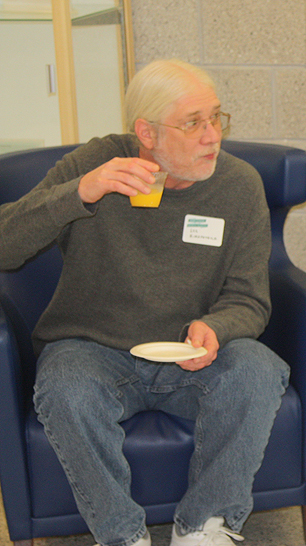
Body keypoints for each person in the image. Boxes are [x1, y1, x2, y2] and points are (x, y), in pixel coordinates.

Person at [0, 59, 290, 546]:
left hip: (189, 357)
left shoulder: (238, 185)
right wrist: (80, 192)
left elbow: (249, 298)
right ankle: (122, 536)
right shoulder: (94, 163)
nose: (212, 135)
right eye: (193, 122)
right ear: (146, 133)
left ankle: (204, 527)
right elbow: (6, 245)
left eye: (217, 118)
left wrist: (216, 326)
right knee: (64, 388)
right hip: (92, 347)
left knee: (259, 370)